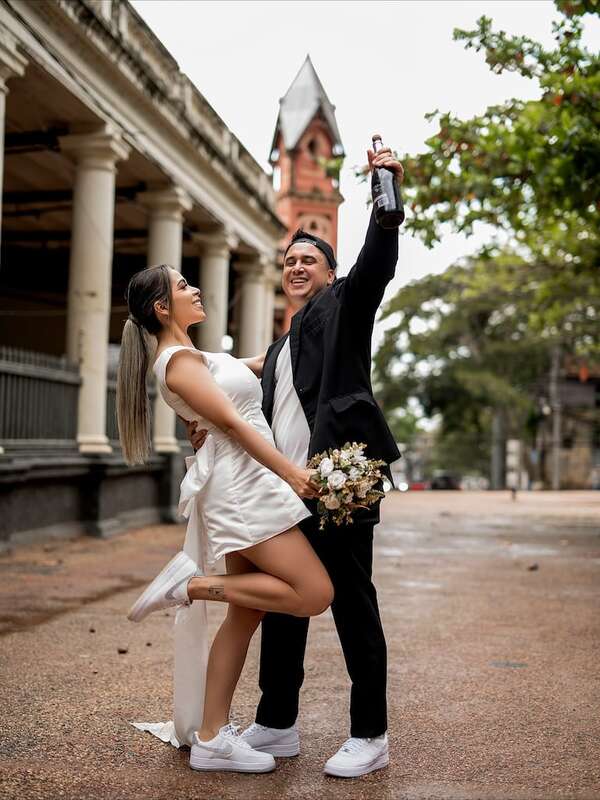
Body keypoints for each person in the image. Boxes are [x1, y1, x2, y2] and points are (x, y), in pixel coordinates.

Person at [188, 141, 404, 778]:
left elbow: (378, 260)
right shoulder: (283, 345)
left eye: (309, 259)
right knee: (285, 605)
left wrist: (385, 188)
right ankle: (277, 722)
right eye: (289, 261)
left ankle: (370, 734)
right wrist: (207, 427)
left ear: (331, 274)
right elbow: (244, 402)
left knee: (353, 606)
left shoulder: (345, 308)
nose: (297, 266)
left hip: (338, 485)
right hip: (286, 491)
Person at [117, 263, 334, 774]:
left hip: (247, 483)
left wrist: (319, 314)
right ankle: (189, 587)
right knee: (314, 593)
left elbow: (264, 363)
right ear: (162, 308)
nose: (195, 289)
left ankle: (212, 738)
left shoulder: (197, 356)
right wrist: (293, 474)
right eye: (183, 286)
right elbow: (234, 424)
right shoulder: (177, 363)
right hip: (243, 491)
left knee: (246, 613)